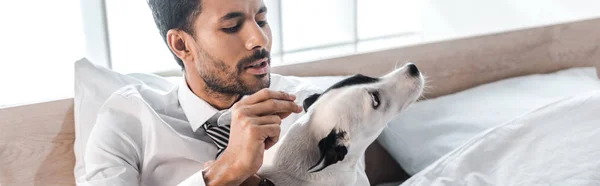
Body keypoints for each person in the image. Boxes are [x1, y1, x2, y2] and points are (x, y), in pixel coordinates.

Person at [77, 0, 368, 185]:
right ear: (181, 45)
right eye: (232, 27)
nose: (259, 39)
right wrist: (222, 173)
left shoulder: (311, 109)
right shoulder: (127, 119)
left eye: (262, 20)